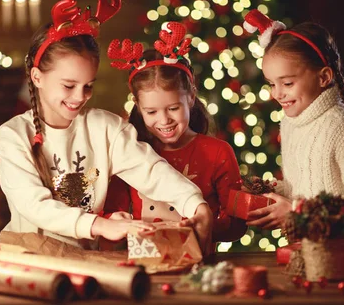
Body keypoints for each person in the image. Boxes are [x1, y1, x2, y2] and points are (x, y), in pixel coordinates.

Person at [0, 0, 213, 252]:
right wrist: (101, 225)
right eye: (69, 85)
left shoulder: (106, 128)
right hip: (26, 257)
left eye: (88, 86)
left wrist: (195, 204)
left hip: (86, 262)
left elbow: (152, 171)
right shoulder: (13, 134)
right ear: (37, 77)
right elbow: (34, 205)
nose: (80, 97)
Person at [240, 10, 344, 229]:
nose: (276, 94)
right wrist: (269, 191)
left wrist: (296, 213)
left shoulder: (341, 127)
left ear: (323, 77)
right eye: (272, 84)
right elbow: (304, 190)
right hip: (312, 251)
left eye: (287, 83)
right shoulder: (291, 123)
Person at [103, 22, 246, 244]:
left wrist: (202, 226)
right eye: (151, 111)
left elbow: (236, 224)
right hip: (146, 264)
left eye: (173, 108)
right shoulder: (132, 153)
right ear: (138, 107)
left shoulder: (218, 152)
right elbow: (112, 210)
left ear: (190, 97)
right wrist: (115, 220)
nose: (164, 120)